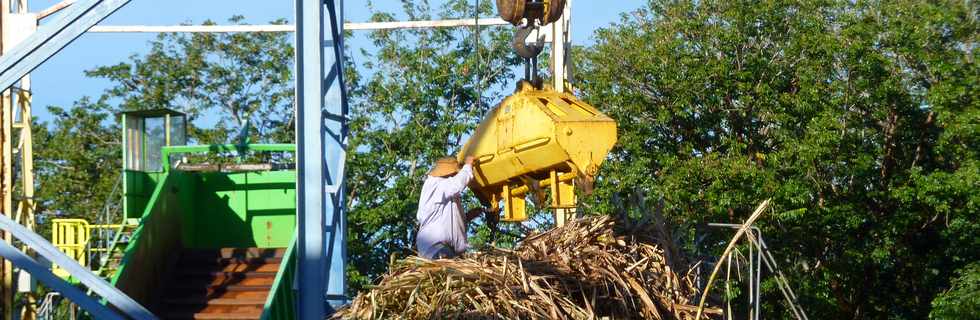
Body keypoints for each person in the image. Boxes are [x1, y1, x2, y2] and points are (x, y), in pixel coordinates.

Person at [415, 155, 486, 259]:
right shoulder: (435, 184)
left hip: (445, 248)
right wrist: (468, 165)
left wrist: (467, 217)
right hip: (435, 247)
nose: (454, 175)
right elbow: (457, 183)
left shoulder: (446, 191)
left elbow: (446, 220)